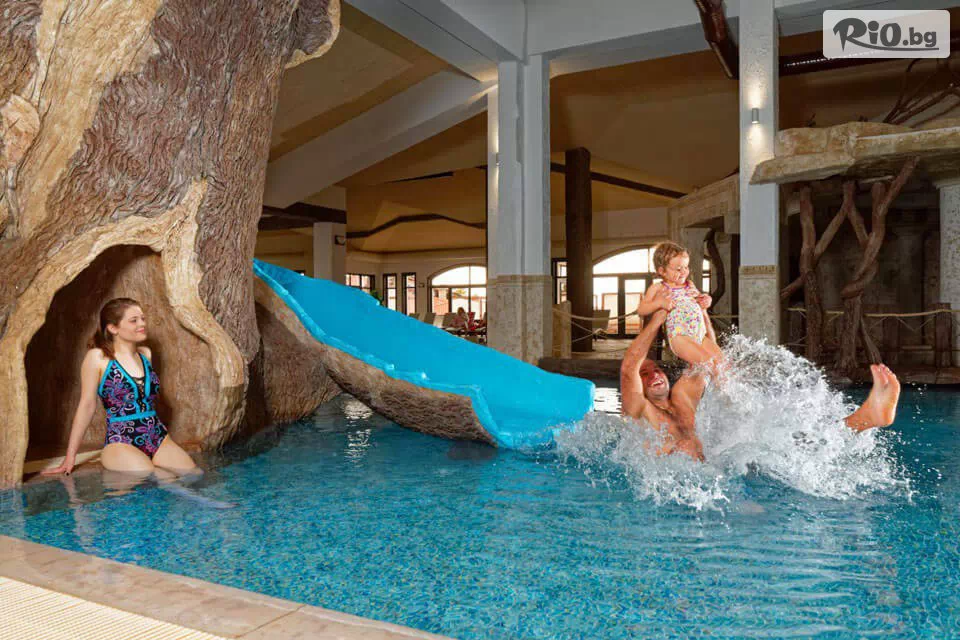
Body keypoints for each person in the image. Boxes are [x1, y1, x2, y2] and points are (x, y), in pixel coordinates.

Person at [621, 307, 902, 461]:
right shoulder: (639, 409)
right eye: (645, 374)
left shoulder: (683, 395)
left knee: (782, 435)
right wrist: (658, 319)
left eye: (656, 369)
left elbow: (711, 359)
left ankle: (866, 419)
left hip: (719, 471)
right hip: (683, 485)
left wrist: (701, 313)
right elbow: (628, 367)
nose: (654, 374)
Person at [42, 298, 199, 478]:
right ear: (113, 328)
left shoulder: (145, 354)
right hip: (121, 440)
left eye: (142, 318)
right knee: (156, 478)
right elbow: (87, 406)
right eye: (134, 320)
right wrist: (70, 458)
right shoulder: (97, 358)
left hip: (157, 436)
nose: (142, 324)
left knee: (194, 475)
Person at [636, 241, 723, 373]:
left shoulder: (690, 284)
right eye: (678, 269)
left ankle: (719, 388)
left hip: (699, 335)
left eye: (686, 267)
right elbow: (641, 309)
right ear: (662, 271)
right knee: (708, 363)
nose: (683, 272)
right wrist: (659, 303)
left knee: (723, 364)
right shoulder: (658, 288)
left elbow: (699, 300)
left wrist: (706, 300)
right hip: (680, 336)